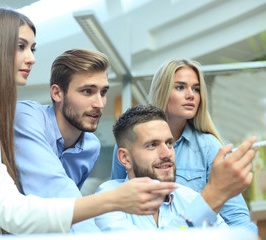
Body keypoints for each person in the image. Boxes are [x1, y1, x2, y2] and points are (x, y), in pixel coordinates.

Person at [0, 8, 177, 240]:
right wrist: (110, 201)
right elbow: (11, 211)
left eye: (32, 48)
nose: (32, 58)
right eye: (21, 46)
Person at [110, 59, 258, 232]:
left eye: (196, 89)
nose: (191, 95)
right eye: (180, 87)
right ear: (163, 91)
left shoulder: (208, 146)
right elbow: (117, 200)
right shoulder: (129, 145)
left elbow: (236, 217)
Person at [96, 105, 256, 231]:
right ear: (125, 158)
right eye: (152, 145)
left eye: (169, 143)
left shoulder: (189, 198)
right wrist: (213, 195)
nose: (167, 153)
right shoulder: (108, 199)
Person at [14, 48, 115, 232]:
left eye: (103, 92)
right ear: (57, 93)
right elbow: (56, 190)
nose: (99, 104)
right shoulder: (27, 117)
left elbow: (68, 212)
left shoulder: (91, 147)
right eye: (87, 91)